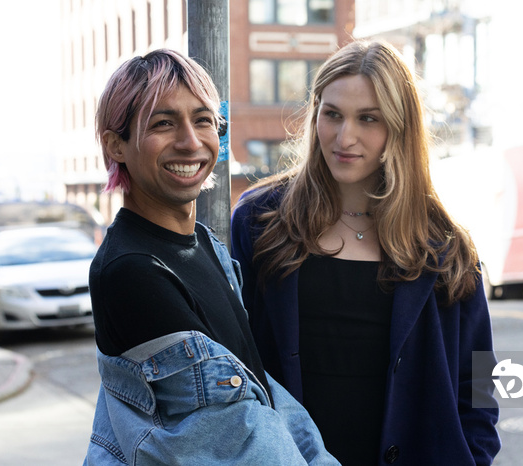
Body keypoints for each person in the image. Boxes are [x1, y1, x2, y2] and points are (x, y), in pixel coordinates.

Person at [231, 40, 501, 465]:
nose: (345, 136)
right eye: (333, 114)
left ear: (398, 127)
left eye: (368, 119)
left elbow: (481, 377)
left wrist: (475, 452)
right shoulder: (260, 221)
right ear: (315, 112)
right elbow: (230, 362)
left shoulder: (444, 246)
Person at [83, 49, 339, 465]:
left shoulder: (206, 245)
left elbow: (264, 394)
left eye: (203, 120)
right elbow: (240, 440)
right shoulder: (132, 271)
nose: (190, 141)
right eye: (163, 123)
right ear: (116, 145)